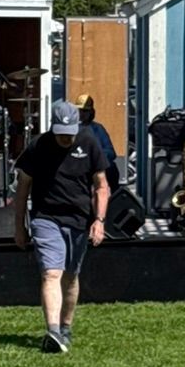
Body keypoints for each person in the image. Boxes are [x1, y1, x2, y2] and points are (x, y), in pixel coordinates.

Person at [13, 99, 110, 353]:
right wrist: (19, 226)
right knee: (51, 273)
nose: (66, 139)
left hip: (79, 219)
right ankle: (53, 332)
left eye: (70, 134)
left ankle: (65, 327)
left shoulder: (89, 142)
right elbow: (22, 190)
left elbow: (101, 186)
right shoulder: (37, 147)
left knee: (70, 276)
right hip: (46, 218)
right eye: (61, 135)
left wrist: (99, 221)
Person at [78, 98, 121, 191]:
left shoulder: (98, 129)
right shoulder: (71, 129)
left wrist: (97, 158)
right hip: (77, 165)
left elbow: (111, 152)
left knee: (111, 168)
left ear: (91, 112)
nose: (81, 114)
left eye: (85, 111)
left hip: (95, 165)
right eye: (79, 111)